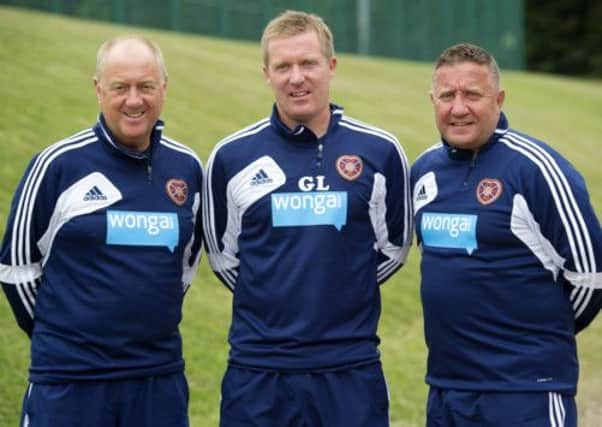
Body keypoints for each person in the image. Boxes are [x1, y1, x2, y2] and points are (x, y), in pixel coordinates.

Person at [203, 10, 412, 427]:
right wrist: (277, 294)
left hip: (349, 370)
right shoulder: (231, 158)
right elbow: (223, 258)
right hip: (258, 371)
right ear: (267, 73)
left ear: (331, 66)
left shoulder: (380, 151)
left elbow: (394, 248)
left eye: (308, 63)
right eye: (283, 66)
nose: (296, 78)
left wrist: (339, 286)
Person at [0, 35, 203, 427]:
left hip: (157, 382)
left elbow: (185, 264)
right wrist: (63, 336)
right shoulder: (57, 166)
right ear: (98, 89)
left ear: (164, 87)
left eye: (145, 86)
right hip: (69, 383)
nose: (134, 100)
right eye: (120, 87)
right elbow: (16, 269)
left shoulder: (186, 168)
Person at [411, 42, 602, 427]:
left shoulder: (536, 169)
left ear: (498, 99)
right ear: (433, 100)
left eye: (473, 94)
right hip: (447, 390)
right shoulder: (424, 171)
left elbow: (591, 276)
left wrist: (539, 336)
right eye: (447, 95)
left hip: (525, 392)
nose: (459, 107)